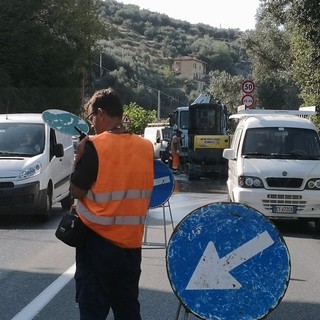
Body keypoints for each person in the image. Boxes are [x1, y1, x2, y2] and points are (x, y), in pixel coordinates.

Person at [70, 88, 154, 320]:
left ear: (101, 113)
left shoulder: (94, 146)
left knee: (93, 310)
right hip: (131, 245)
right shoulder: (145, 147)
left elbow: (76, 190)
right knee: (127, 309)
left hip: (97, 243)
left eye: (92, 118)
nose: (92, 124)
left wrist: (78, 160)